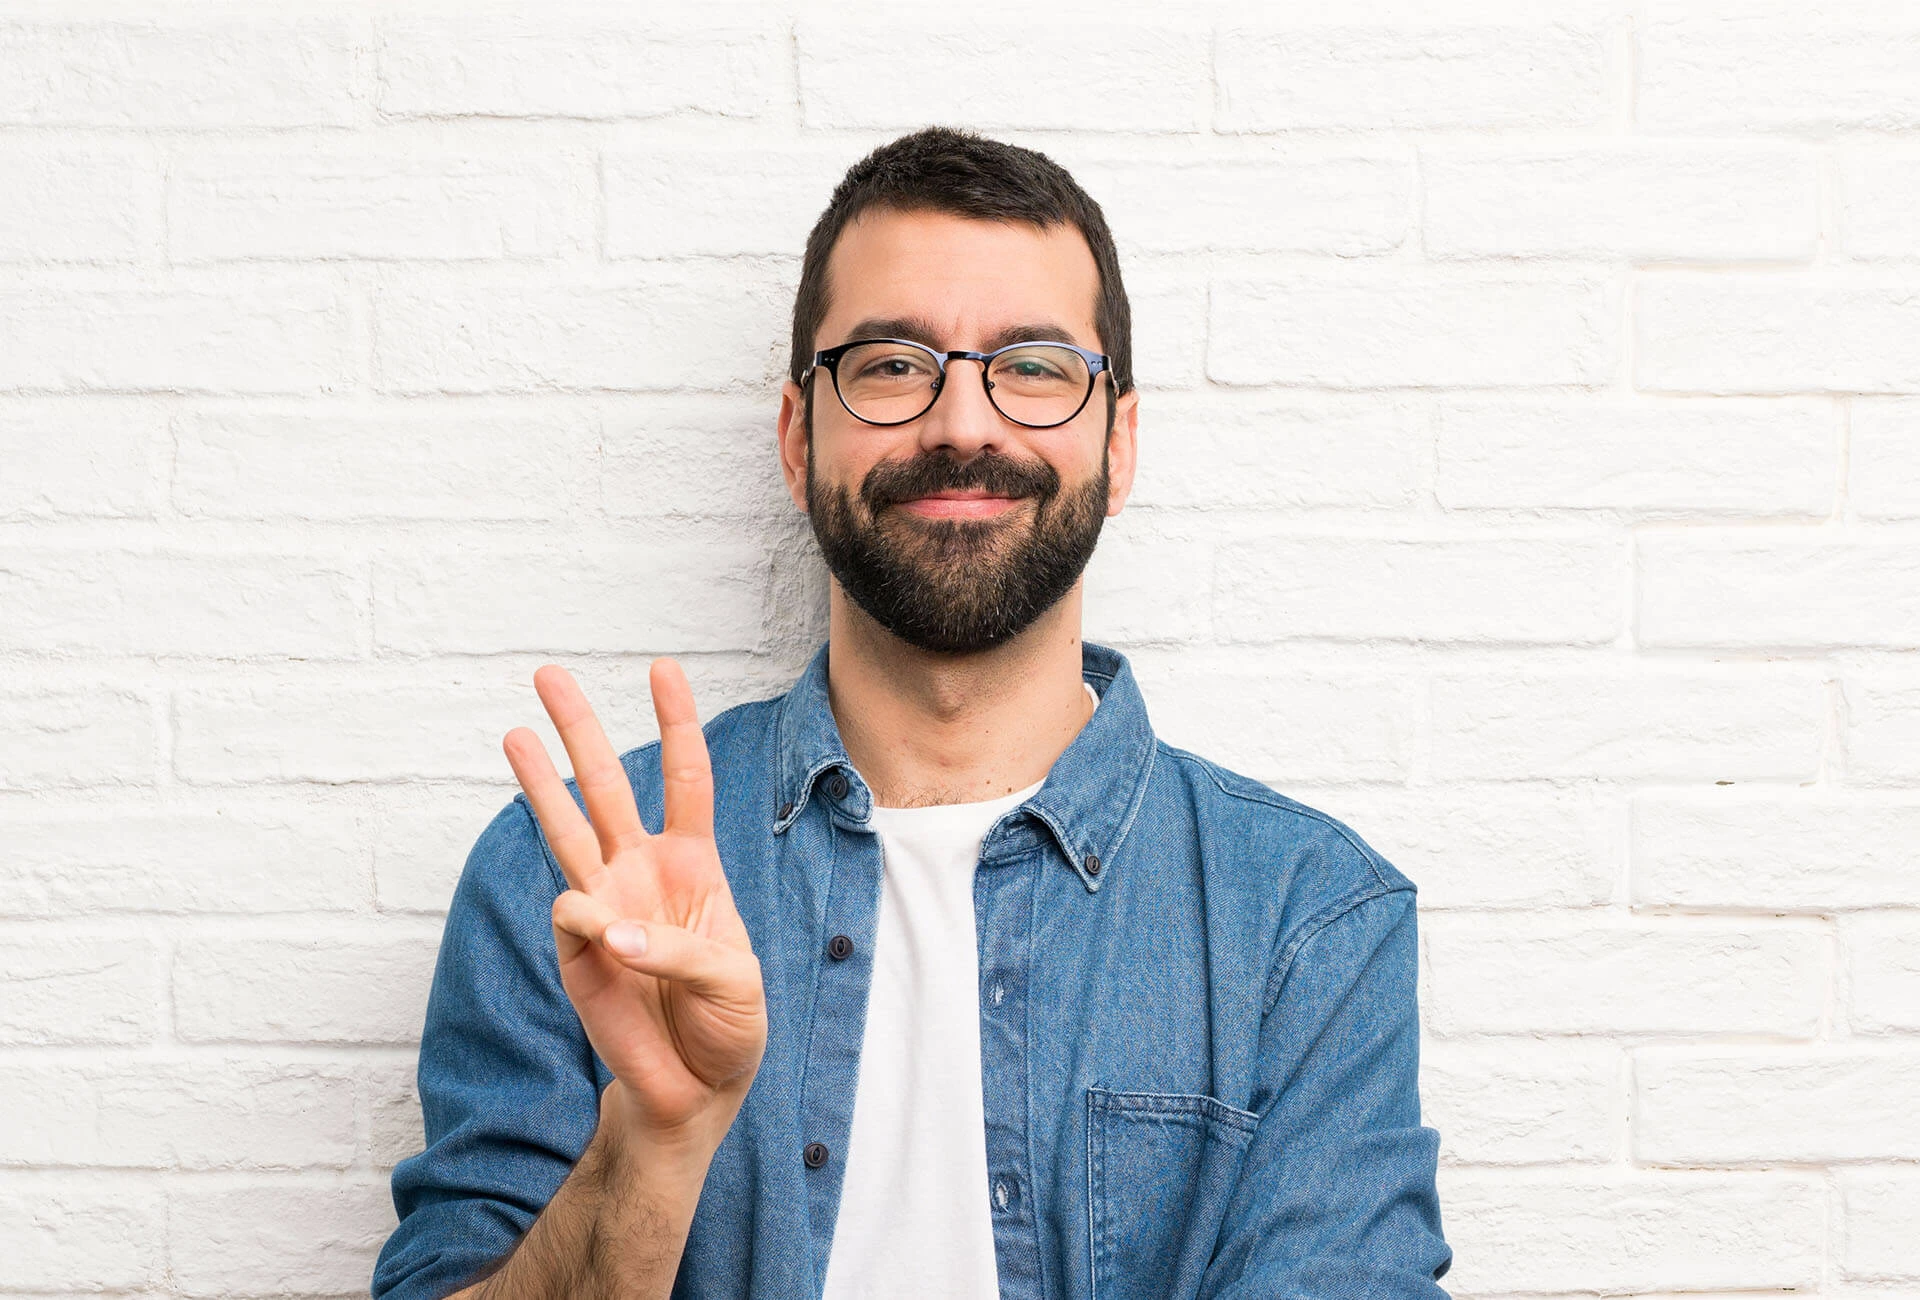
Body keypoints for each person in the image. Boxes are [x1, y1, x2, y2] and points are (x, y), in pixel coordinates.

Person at [372, 127, 1452, 1300]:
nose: (963, 424)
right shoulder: (577, 876)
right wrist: (653, 1141)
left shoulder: (1306, 918)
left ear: (1121, 441)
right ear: (799, 438)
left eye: (1033, 366)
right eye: (892, 365)